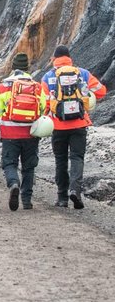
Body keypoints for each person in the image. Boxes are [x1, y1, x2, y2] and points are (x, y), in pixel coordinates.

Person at [41, 44, 108, 208]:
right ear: (69, 58)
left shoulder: (48, 77)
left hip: (58, 125)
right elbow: (102, 91)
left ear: (54, 59)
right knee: (77, 158)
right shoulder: (82, 73)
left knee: (60, 160)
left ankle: (62, 197)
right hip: (79, 123)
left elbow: (43, 104)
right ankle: (75, 191)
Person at [0, 52, 47, 210]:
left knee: (9, 163)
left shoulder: (4, 86)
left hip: (10, 134)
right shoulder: (37, 87)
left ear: (13, 67)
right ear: (27, 68)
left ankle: (14, 183)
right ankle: (27, 200)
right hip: (31, 133)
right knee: (29, 167)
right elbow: (44, 109)